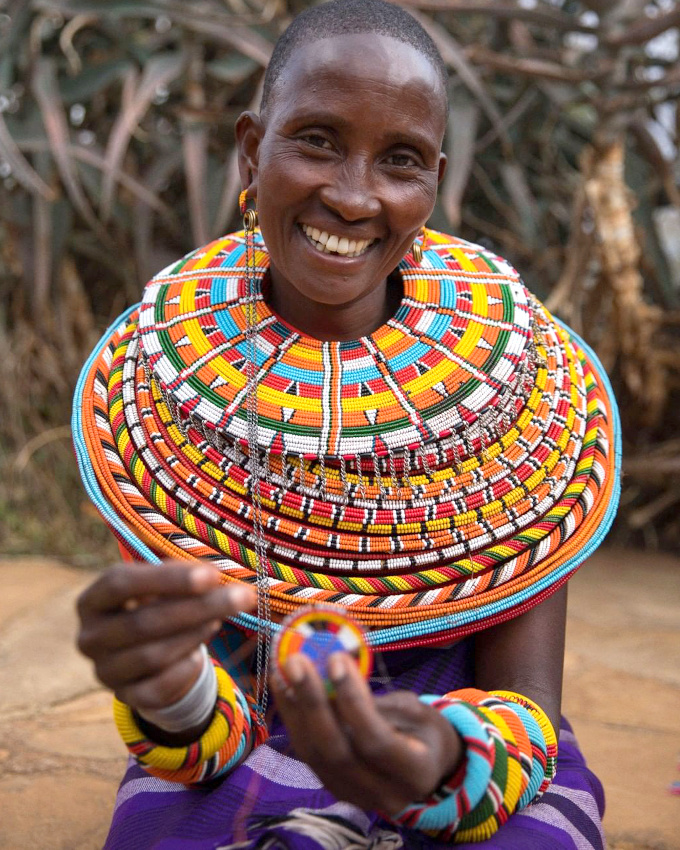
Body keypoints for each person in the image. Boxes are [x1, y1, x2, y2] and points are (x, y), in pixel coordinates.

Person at [73, 1, 619, 847]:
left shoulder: (521, 394)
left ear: (435, 178)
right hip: (235, 739)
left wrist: (443, 757)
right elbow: (195, 737)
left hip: (461, 739)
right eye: (318, 140)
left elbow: (526, 706)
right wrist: (170, 693)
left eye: (400, 160)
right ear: (253, 150)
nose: (355, 195)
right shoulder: (165, 389)